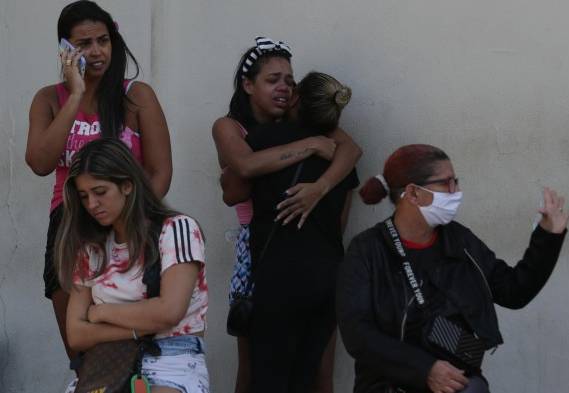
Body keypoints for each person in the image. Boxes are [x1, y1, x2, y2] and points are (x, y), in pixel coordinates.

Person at [337, 144, 569, 393]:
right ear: (414, 194)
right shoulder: (367, 250)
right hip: (390, 384)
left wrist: (547, 238)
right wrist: (425, 369)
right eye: (447, 183)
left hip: (457, 382)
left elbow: (514, 291)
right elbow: (357, 334)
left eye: (456, 182)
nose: (456, 192)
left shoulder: (459, 240)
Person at [212, 37, 361, 393]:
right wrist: (309, 145)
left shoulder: (312, 125)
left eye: (289, 81)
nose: (283, 87)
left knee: (314, 373)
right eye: (272, 79)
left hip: (301, 258)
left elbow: (352, 149)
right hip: (258, 251)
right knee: (253, 371)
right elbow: (243, 171)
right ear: (248, 85)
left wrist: (319, 187)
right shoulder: (232, 127)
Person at [25, 0, 172, 362]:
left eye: (102, 41)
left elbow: (160, 172)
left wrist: (127, 223)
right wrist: (75, 94)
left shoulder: (136, 96)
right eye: (83, 44)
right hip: (70, 227)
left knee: (133, 349)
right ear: (65, 50)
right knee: (82, 351)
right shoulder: (49, 99)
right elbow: (40, 163)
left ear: (113, 41)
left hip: (130, 226)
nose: (95, 51)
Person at [55, 138, 208, 393]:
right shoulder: (91, 248)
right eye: (84, 196)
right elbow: (77, 334)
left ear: (127, 185)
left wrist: (101, 314)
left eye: (100, 192)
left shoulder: (175, 229)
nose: (92, 204)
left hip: (172, 358)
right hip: (109, 362)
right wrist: (141, 327)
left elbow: (170, 311)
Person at [244, 70, 359, 393]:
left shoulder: (264, 140)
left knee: (268, 378)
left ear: (295, 99)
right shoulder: (341, 157)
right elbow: (341, 221)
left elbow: (234, 191)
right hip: (327, 278)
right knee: (306, 376)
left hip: (278, 278)